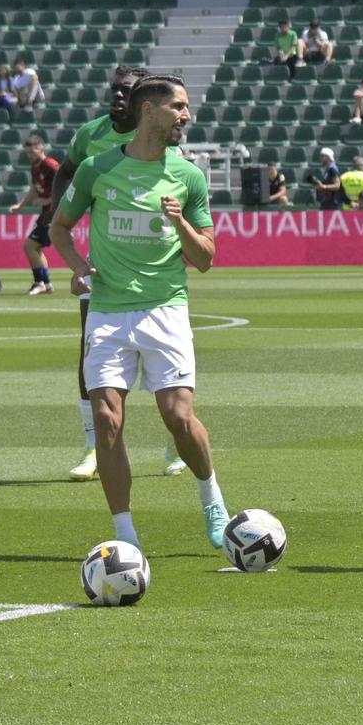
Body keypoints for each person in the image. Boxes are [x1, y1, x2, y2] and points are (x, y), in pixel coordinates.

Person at [50, 75, 230, 557]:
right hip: (107, 313)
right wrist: (79, 267)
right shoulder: (96, 168)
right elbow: (60, 227)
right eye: (178, 106)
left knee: (178, 416)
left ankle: (211, 496)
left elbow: (208, 256)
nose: (185, 115)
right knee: (107, 420)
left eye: (186, 107)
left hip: (164, 309)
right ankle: (125, 535)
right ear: (148, 111)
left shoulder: (188, 175)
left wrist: (181, 222)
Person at [51, 66, 186, 482]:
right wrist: (56, 217)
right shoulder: (91, 135)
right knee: (89, 354)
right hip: (102, 263)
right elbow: (66, 170)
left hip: (153, 269)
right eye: (113, 90)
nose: (116, 98)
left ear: (143, 103)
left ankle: (175, 439)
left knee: (162, 368)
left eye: (124, 91)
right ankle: (93, 445)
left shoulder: (165, 143)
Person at [9, 133, 64, 296]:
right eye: (28, 153)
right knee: (36, 249)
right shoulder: (36, 167)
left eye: (32, 152)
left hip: (54, 214)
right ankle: (46, 284)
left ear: (41, 148)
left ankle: (39, 283)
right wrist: (20, 206)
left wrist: (47, 201)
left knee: (29, 246)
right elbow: (34, 189)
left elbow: (65, 187)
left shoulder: (51, 166)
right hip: (46, 214)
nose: (30, 155)